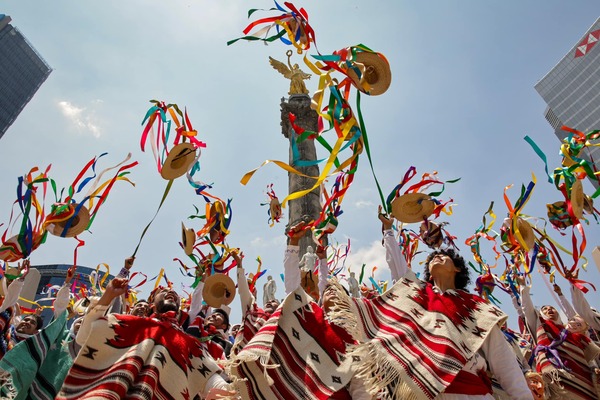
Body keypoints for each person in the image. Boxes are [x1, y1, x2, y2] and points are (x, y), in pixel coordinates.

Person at [343, 209, 533, 399]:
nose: (436, 257)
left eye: (444, 257)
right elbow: (398, 269)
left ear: (457, 269)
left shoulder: (477, 307)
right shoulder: (417, 295)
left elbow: (502, 360)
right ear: (429, 275)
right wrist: (388, 230)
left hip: (471, 393)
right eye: (433, 258)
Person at [228, 223, 372, 399]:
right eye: (327, 291)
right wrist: (293, 244)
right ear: (320, 299)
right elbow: (293, 287)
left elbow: (361, 390)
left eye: (337, 291)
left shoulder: (355, 342)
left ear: (348, 301)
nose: (331, 293)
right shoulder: (308, 318)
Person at [57, 277, 232, 400]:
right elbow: (83, 339)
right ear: (152, 304)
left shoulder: (191, 345)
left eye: (175, 295)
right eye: (164, 292)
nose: (171, 292)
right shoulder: (129, 324)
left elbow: (213, 382)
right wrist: (106, 298)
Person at [520, 276, 600, 399]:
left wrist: (594, 369)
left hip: (584, 384)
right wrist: (523, 287)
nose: (549, 309)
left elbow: (588, 358)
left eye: (551, 308)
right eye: (545, 309)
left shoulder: (575, 335)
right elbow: (528, 310)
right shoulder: (541, 327)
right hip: (557, 384)